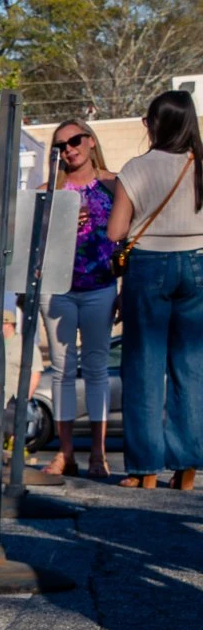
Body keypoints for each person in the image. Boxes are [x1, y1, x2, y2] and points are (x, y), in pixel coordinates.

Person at [108, 90, 203, 491]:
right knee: (191, 367)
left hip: (148, 267)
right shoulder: (200, 164)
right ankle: (187, 467)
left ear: (156, 124)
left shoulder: (136, 169)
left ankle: (145, 468)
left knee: (144, 367)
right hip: (199, 264)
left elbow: (116, 231)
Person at [39, 121, 120, 480]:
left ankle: (98, 454)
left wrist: (126, 287)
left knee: (97, 368)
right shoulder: (49, 191)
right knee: (62, 370)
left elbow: (130, 238)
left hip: (100, 286)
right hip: (58, 288)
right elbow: (33, 243)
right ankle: (66, 452)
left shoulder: (113, 185)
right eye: (60, 146)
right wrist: (59, 228)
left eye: (74, 141)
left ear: (90, 141)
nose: (68, 149)